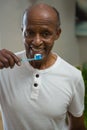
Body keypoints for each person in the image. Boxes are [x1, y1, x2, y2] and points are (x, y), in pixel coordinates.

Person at [0, 3, 86, 130]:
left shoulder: (73, 77)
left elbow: (78, 126)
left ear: (57, 33)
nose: (37, 41)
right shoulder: (4, 69)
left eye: (45, 34)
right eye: (30, 33)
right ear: (22, 31)